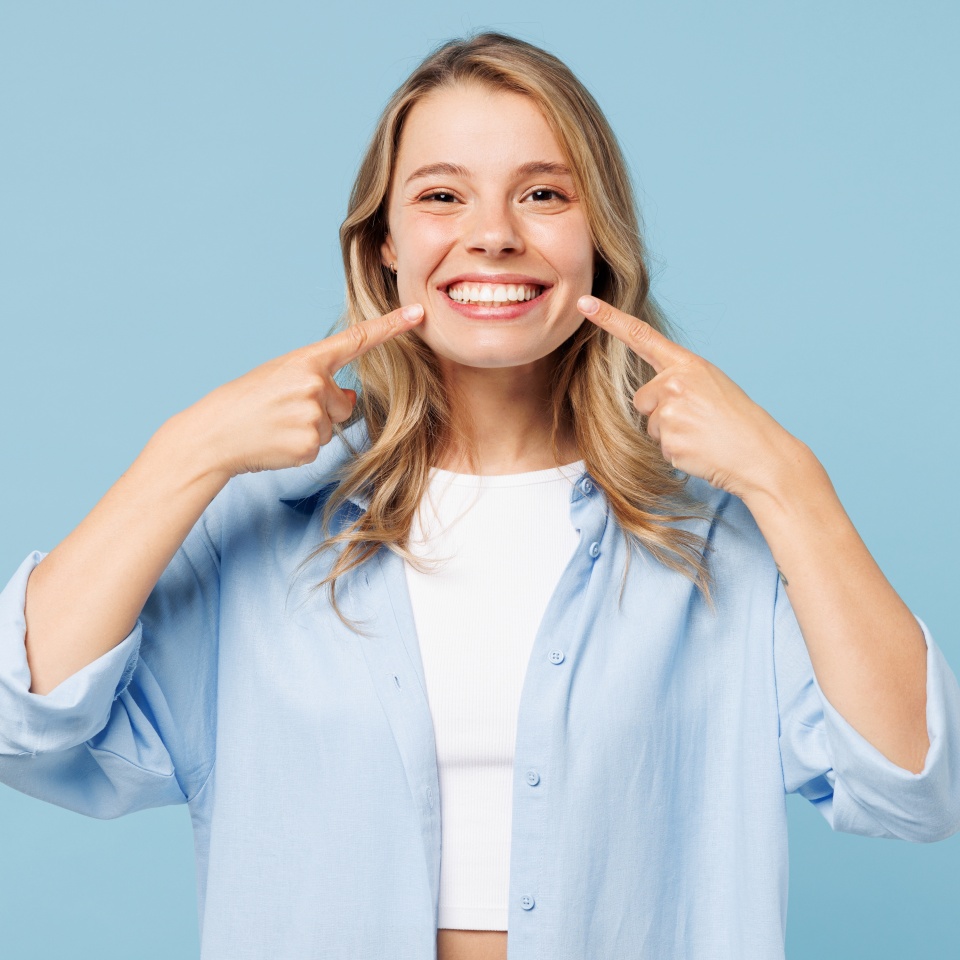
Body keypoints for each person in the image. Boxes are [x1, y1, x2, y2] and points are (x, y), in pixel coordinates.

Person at [1, 29, 958, 960]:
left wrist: (792, 483)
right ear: (384, 243)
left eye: (543, 194)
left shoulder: (719, 547)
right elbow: (25, 721)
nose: (493, 236)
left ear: (601, 239)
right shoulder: (267, 535)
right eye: (441, 195)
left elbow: (916, 788)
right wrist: (185, 453)